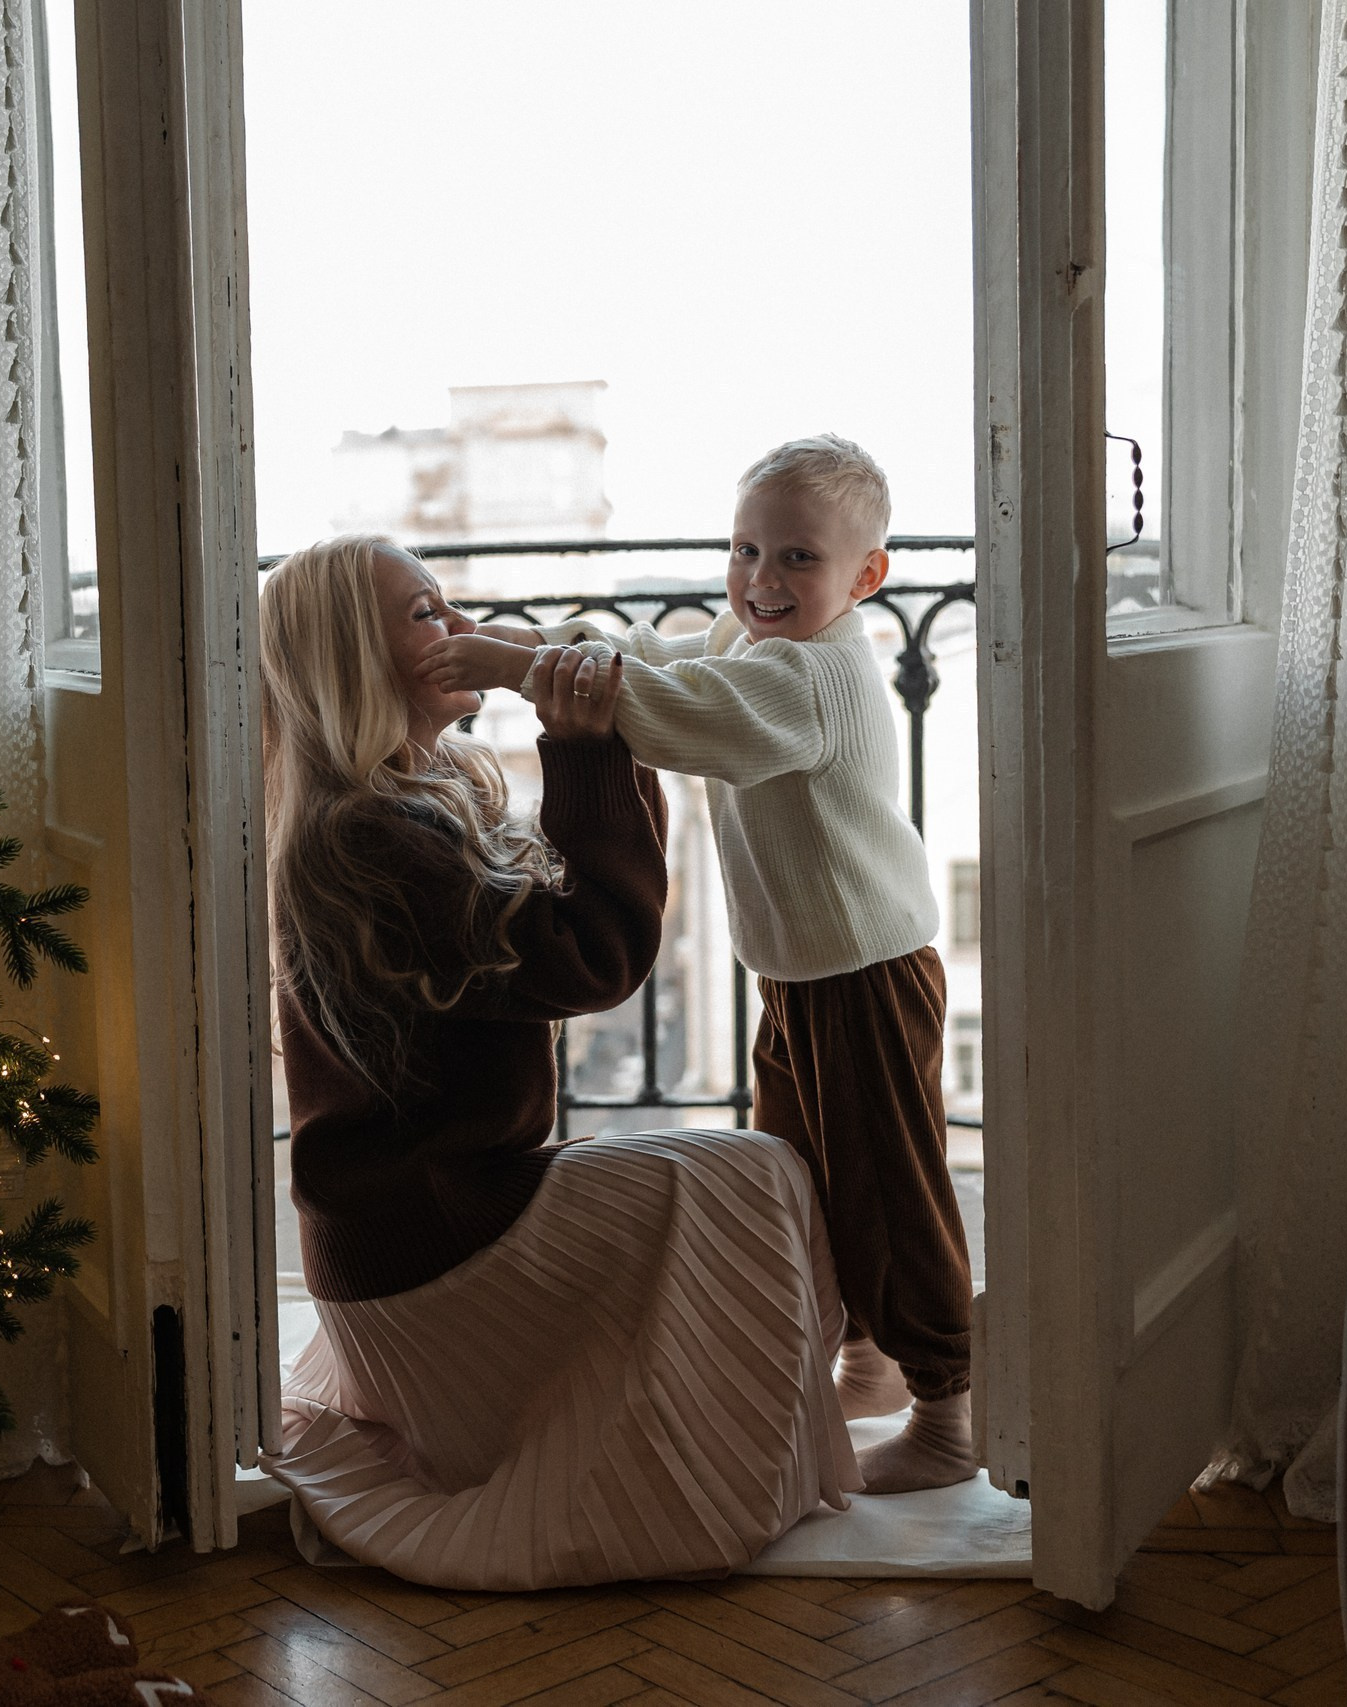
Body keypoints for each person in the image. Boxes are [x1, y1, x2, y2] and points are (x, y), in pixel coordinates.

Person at [258, 533, 857, 1593]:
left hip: (416, 1235)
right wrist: (587, 749)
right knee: (754, 1171)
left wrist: (595, 746)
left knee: (727, 1169)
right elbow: (596, 956)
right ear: (356, 658)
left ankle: (772, 1424)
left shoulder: (397, 799)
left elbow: (558, 926)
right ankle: (728, 1471)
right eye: (427, 614)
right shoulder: (368, 838)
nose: (461, 627)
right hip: (433, 1252)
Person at [419, 436, 976, 1494]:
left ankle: (947, 1410)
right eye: (746, 549)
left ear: (866, 577)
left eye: (799, 558)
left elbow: (681, 716)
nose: (763, 579)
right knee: (804, 1174)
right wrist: (532, 641)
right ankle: (865, 1362)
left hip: (862, 974)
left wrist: (513, 671)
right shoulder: (749, 638)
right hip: (801, 972)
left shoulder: (812, 675)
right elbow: (652, 660)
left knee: (891, 1188)